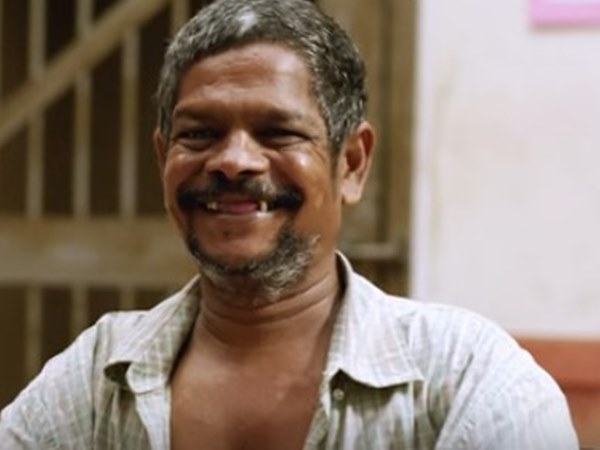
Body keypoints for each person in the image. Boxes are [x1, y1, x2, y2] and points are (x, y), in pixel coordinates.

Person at [0, 0, 579, 448]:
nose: (233, 161)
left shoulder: (465, 380)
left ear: (351, 164)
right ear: (162, 159)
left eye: (278, 132)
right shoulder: (96, 379)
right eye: (199, 133)